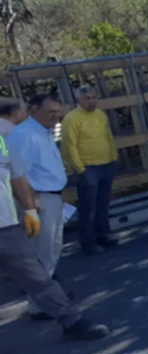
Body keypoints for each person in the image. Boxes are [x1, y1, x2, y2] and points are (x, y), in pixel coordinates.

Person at [0, 131, 109, 340]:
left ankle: (72, 321)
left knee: (38, 278)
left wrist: (30, 209)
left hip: (7, 227)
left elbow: (17, 176)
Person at [7, 94, 70, 321]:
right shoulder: (24, 135)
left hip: (51, 197)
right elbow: (17, 174)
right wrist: (31, 204)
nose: (55, 116)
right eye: (50, 111)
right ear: (33, 109)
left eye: (57, 112)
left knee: (51, 250)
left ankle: (50, 297)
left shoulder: (43, 131)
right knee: (42, 254)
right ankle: (39, 304)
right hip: (39, 200)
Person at [61, 85, 119, 254]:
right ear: (78, 100)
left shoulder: (100, 115)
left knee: (103, 203)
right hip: (88, 167)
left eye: (94, 97)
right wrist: (79, 168)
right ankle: (88, 242)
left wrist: (113, 155)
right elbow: (68, 146)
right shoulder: (71, 119)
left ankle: (103, 235)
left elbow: (107, 136)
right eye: (87, 98)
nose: (91, 101)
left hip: (106, 163)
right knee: (88, 206)